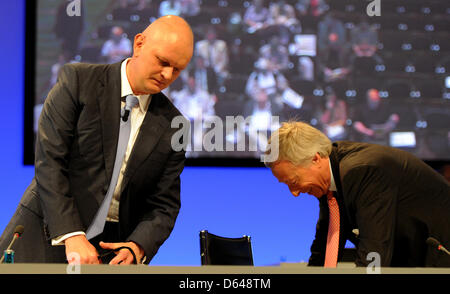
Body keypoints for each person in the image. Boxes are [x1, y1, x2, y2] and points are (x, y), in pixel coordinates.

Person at [0, 15, 194, 265]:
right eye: (162, 61)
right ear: (139, 43)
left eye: (177, 69)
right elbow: (50, 161)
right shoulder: (78, 81)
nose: (167, 74)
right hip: (44, 235)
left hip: (109, 255)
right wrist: (71, 234)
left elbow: (164, 204)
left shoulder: (174, 125)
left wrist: (138, 246)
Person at [264, 121, 450, 267]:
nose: (294, 193)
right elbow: (324, 245)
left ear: (315, 158)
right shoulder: (330, 179)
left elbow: (374, 252)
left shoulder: (363, 171)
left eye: (293, 182)